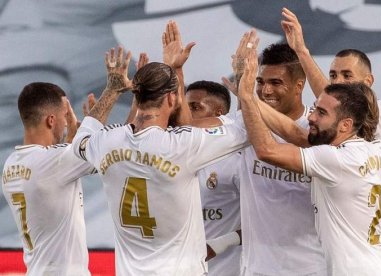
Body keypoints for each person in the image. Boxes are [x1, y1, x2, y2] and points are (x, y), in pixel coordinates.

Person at [71, 36, 248, 273]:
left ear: (136, 95)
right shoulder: (183, 145)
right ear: (172, 98)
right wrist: (245, 84)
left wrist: (112, 90)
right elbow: (244, 128)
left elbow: (79, 142)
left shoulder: (107, 141)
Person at [238, 46, 381, 274]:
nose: (311, 116)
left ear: (346, 124)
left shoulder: (335, 159)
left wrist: (247, 96)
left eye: (320, 113)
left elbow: (268, 150)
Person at [281, 7, 381, 274]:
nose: (339, 81)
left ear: (368, 81)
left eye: (347, 75)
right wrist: (302, 51)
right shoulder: (332, 122)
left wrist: (303, 52)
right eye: (334, 75)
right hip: (343, 250)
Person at [231, 39, 327, 275]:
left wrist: (247, 98)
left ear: (299, 86)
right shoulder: (245, 124)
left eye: (276, 83)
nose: (265, 91)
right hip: (256, 268)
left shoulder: (319, 131)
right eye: (260, 82)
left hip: (310, 267)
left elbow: (270, 149)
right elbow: (192, 129)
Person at [1, 82, 95, 275]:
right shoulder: (52, 163)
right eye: (64, 116)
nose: (68, 122)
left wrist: (71, 141)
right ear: (51, 121)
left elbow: (57, 166)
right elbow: (99, 154)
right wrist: (94, 121)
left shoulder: (10, 165)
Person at [186, 80, 242, 275]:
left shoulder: (236, 161)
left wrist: (220, 244)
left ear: (219, 114)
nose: (186, 115)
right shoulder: (174, 157)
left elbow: (265, 221)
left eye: (194, 107)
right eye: (183, 108)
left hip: (228, 269)